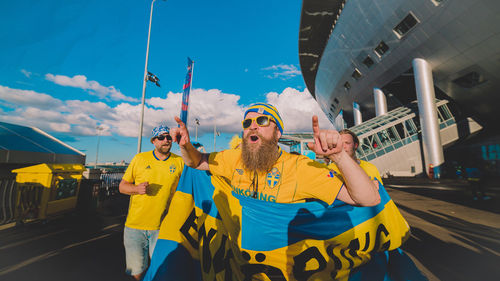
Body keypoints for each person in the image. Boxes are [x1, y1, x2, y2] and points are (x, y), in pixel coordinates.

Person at [171, 103, 380, 206]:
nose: (253, 126)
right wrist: (185, 145)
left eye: (262, 121)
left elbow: (368, 199)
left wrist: (339, 156)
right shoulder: (232, 158)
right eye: (247, 123)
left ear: (278, 133)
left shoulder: (300, 168)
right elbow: (196, 162)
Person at [119, 125, 184, 280]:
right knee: (137, 272)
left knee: (162, 270)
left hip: (163, 227)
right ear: (154, 141)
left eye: (168, 137)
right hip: (135, 227)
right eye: (161, 137)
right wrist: (136, 189)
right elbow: (122, 186)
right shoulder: (140, 158)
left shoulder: (179, 162)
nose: (166, 140)